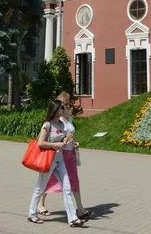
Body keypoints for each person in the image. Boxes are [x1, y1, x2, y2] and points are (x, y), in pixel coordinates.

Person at [28, 98, 85, 226]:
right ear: (55, 110)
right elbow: (41, 143)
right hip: (49, 161)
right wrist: (56, 145)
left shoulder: (61, 124)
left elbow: (64, 138)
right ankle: (32, 214)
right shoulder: (47, 125)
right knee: (40, 187)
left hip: (61, 161)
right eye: (61, 108)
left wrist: (70, 141)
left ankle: (73, 218)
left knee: (67, 187)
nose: (63, 110)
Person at [37, 92, 91, 220]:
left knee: (74, 181)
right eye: (64, 105)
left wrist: (74, 142)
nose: (67, 107)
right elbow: (54, 136)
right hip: (58, 154)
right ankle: (40, 204)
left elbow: (70, 135)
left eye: (68, 104)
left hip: (70, 153)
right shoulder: (57, 120)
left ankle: (80, 208)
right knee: (50, 179)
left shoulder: (69, 118)